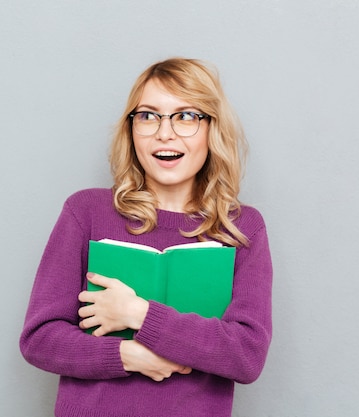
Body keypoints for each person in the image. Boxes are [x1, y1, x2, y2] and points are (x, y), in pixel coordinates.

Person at [19, 58, 272, 417]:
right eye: (148, 115)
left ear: (212, 129)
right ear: (132, 129)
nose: (164, 133)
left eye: (186, 116)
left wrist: (139, 314)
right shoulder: (86, 212)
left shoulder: (242, 227)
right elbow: (39, 340)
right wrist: (125, 357)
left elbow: (246, 356)